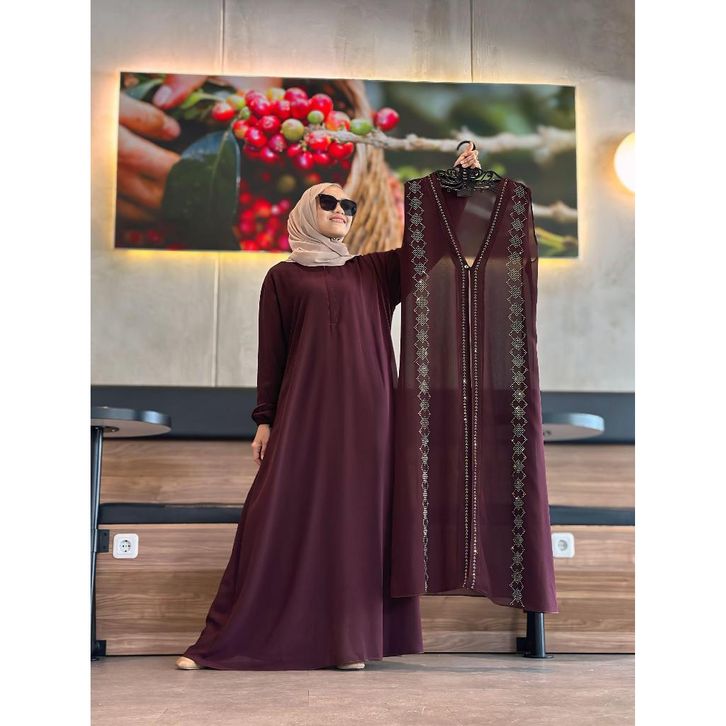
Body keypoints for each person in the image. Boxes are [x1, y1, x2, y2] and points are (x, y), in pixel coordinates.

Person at [175, 145, 481, 672]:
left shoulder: (373, 272)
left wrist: (457, 188)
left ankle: (350, 644)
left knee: (359, 521)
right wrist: (265, 420)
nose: (342, 211)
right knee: (273, 516)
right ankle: (234, 638)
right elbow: (272, 355)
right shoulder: (283, 277)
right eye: (329, 203)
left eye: (349, 206)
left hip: (372, 420)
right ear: (304, 212)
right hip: (305, 414)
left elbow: (431, 247)